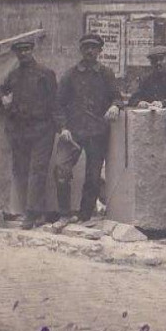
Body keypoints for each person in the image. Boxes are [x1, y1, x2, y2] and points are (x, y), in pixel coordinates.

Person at [53, 33, 121, 230]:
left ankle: (84, 216)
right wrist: (63, 127)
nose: (90, 51)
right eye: (86, 48)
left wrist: (115, 106)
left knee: (93, 177)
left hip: (97, 132)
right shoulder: (70, 74)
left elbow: (117, 97)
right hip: (72, 132)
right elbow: (57, 104)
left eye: (94, 47)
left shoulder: (106, 74)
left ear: (100, 51)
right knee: (61, 169)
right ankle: (64, 214)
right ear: (81, 50)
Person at [0, 38, 57, 230]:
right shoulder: (13, 75)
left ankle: (31, 214)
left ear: (32, 50)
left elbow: (55, 102)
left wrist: (60, 128)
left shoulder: (45, 74)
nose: (23, 53)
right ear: (16, 54)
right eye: (20, 51)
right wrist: (2, 97)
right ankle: (37, 211)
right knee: (23, 170)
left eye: (27, 49)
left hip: (42, 129)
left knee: (38, 170)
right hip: (21, 131)